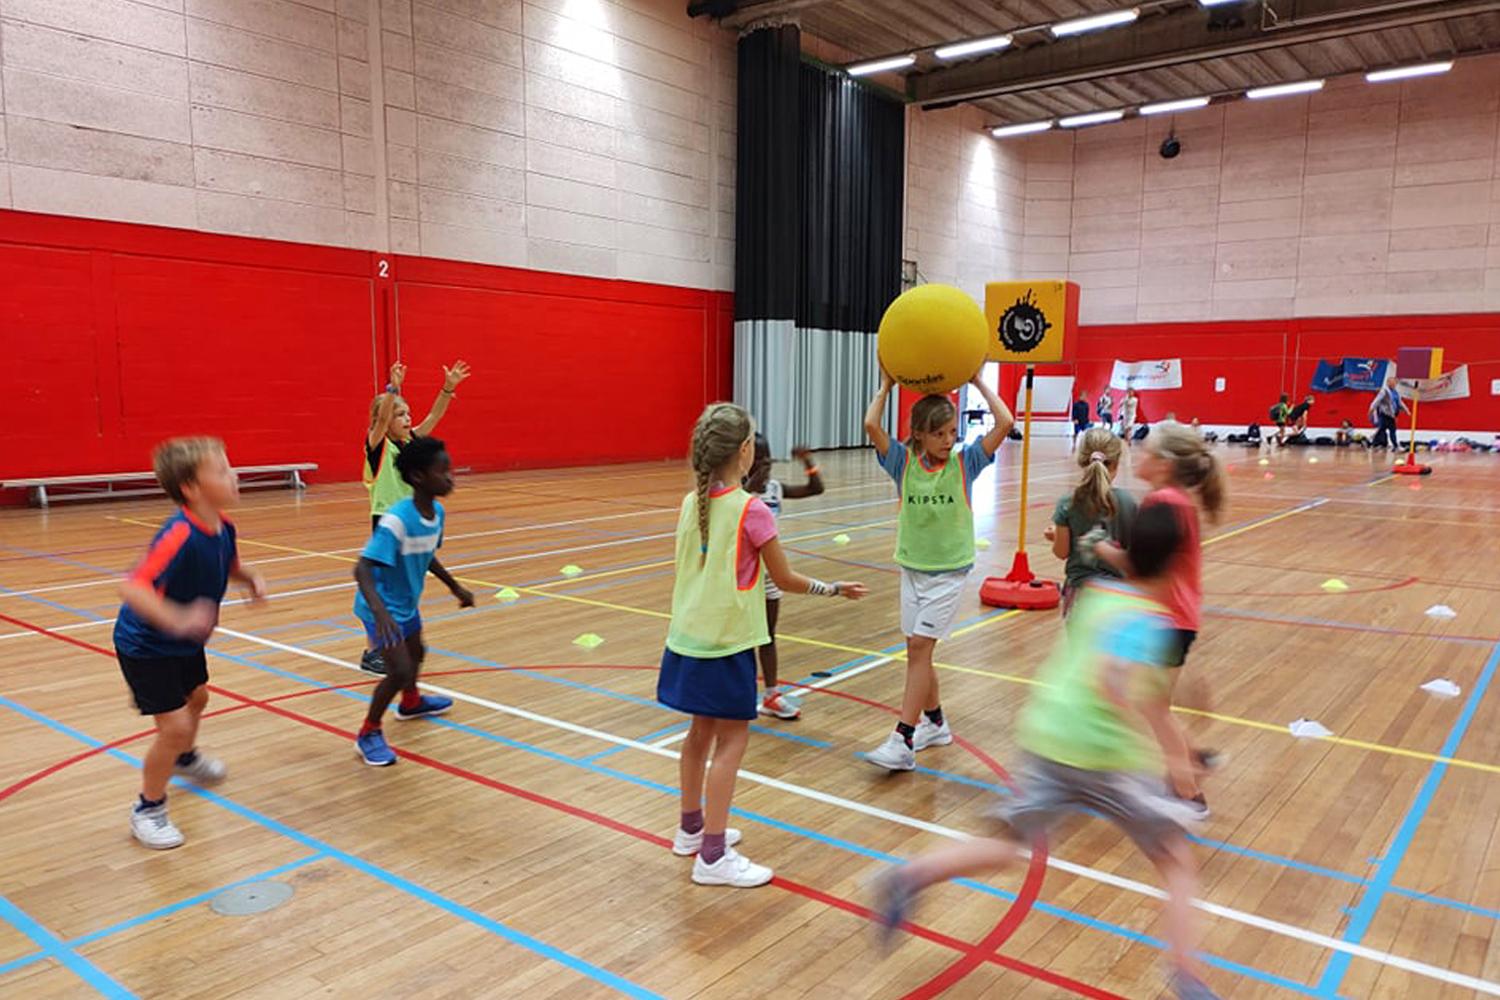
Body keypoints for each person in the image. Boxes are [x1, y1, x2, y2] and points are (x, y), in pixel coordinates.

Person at [873, 501, 1219, 1000]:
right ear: (1178, 566)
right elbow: (1127, 689)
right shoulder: (1151, 621)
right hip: (1102, 757)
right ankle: (1187, 977)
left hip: (1047, 736)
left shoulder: (1099, 594)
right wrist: (1178, 766)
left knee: (1006, 846)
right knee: (1176, 860)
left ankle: (906, 878)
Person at [660, 403, 865, 887]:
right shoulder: (751, 509)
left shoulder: (691, 503)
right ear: (745, 450)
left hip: (686, 639)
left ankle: (691, 830)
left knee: (699, 734)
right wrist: (833, 589)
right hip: (726, 644)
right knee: (731, 741)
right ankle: (712, 856)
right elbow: (786, 579)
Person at [114, 438, 267, 849]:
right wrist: (177, 618)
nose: (234, 475)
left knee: (197, 698)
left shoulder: (224, 527)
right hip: (146, 645)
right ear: (192, 489)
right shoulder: (179, 534)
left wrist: (250, 578)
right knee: (175, 726)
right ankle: (148, 808)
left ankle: (183, 758)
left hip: (184, 644)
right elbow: (133, 586)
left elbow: (230, 565)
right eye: (221, 470)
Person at [862, 373, 1014, 772]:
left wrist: (978, 382)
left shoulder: (966, 463)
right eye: (939, 434)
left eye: (952, 432)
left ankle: (903, 738)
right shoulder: (902, 463)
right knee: (918, 650)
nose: (949, 440)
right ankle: (935, 723)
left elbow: (1005, 423)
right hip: (912, 569)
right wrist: (886, 387)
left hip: (948, 573)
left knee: (918, 649)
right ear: (919, 435)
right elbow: (871, 425)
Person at [1098, 422, 1226, 818]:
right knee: (1147, 701)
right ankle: (1193, 759)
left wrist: (1097, 548)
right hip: (1176, 619)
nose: (1140, 453)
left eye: (1148, 450)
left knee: (1151, 707)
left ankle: (1188, 794)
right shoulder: (1179, 502)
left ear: (1165, 464)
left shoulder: (1163, 503)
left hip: (1163, 621)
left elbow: (1140, 568)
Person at [353, 437, 475, 767]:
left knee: (418, 652)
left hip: (405, 603)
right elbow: (362, 568)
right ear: (419, 477)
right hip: (380, 607)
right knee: (399, 670)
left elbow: (428, 554)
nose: (450, 477)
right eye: (442, 471)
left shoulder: (437, 513)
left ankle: (411, 702)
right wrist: (380, 613)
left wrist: (455, 587)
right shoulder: (396, 520)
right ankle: (368, 732)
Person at [361, 358, 471, 674]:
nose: (407, 418)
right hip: (385, 522)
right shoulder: (377, 445)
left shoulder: (410, 444)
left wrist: (447, 388)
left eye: (408, 413)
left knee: (403, 588)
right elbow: (382, 418)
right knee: (383, 590)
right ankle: (373, 651)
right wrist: (392, 390)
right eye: (400, 414)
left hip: (407, 520)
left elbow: (434, 416)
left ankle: (396, 644)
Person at [743, 435, 825, 720]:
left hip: (770, 574)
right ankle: (737, 694)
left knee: (768, 635)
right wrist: (749, 488)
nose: (764, 466)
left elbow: (816, 488)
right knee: (740, 639)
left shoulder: (775, 488)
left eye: (768, 460)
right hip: (743, 576)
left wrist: (808, 461)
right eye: (758, 460)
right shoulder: (737, 493)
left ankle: (771, 696)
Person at [1045, 428, 1137, 617]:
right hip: (1118, 595)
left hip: (1080, 592)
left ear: (1082, 461)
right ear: (1116, 463)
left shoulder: (1068, 503)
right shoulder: (1128, 501)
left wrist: (1058, 536)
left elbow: (1061, 552)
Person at [1369, 376, 1407, 451]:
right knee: (1386, 430)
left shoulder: (1396, 392)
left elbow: (1399, 402)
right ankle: (1393, 446)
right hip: (1385, 414)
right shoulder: (1384, 391)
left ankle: (1373, 442)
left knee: (1386, 430)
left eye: (1395, 383)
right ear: (1388, 383)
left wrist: (1406, 410)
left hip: (1392, 415)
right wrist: (1371, 409)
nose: (1394, 384)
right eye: (1392, 382)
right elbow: (1376, 401)